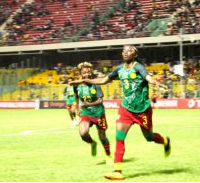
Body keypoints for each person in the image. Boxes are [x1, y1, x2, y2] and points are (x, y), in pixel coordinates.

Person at [71, 45, 171, 180]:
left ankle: (165, 141)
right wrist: (85, 80)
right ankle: (118, 171)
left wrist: (156, 82)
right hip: (126, 108)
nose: (126, 52)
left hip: (142, 110)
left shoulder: (138, 67)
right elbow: (103, 80)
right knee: (119, 137)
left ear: (135, 54)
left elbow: (148, 77)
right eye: (124, 50)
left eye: (129, 50)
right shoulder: (119, 69)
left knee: (149, 137)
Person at [73, 62, 112, 164]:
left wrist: (87, 104)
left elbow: (100, 100)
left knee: (102, 137)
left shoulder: (96, 84)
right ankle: (92, 143)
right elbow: (76, 97)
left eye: (89, 72)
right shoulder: (77, 85)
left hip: (99, 113)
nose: (87, 73)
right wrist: (78, 110)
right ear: (81, 74)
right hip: (86, 113)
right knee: (83, 133)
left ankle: (108, 156)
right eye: (85, 72)